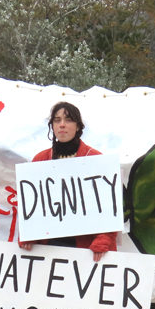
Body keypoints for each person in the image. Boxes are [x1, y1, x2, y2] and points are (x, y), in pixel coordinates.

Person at [19, 101, 116, 261]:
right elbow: (30, 205)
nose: (62, 125)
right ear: (52, 126)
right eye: (57, 120)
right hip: (48, 245)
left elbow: (108, 205)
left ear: (78, 126)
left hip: (85, 247)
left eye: (68, 120)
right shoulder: (40, 160)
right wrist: (28, 233)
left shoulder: (96, 159)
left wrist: (104, 238)